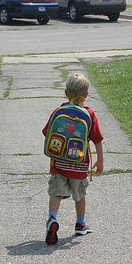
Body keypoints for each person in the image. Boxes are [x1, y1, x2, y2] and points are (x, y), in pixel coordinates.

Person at [42, 73, 104, 245]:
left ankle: (52, 219)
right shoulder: (89, 114)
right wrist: (100, 161)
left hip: (58, 163)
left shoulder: (59, 111)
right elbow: (97, 139)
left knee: (56, 193)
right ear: (86, 95)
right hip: (78, 165)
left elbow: (46, 133)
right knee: (80, 195)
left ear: (65, 92)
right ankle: (80, 224)